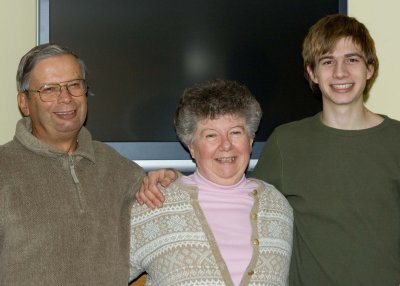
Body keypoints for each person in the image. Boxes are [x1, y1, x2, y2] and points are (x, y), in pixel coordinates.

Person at [137, 14, 400, 285]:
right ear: (312, 73)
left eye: (352, 59)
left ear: (370, 68)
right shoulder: (287, 142)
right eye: (328, 61)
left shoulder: (395, 140)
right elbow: (235, 194)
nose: (340, 72)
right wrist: (173, 177)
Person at [0, 44, 145, 285]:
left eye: (74, 85)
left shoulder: (121, 170)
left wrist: (167, 179)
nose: (66, 98)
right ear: (24, 103)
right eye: (49, 89)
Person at [129, 79, 293, 285]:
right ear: (191, 147)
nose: (226, 145)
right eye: (211, 135)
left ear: (250, 140)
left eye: (235, 132)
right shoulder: (154, 204)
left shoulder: (278, 207)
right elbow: (100, 273)